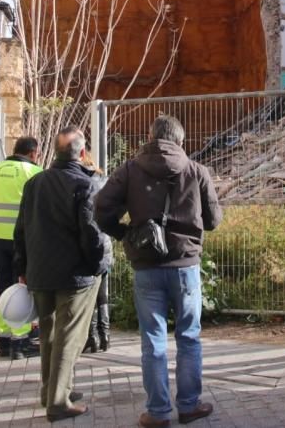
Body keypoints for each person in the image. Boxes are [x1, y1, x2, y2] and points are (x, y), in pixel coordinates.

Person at [95, 115, 223, 428]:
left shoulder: (130, 170)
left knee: (152, 340)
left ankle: (157, 412)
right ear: (180, 140)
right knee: (189, 337)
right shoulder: (196, 171)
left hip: (147, 266)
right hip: (185, 267)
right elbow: (213, 220)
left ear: (150, 137)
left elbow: (100, 209)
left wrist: (124, 233)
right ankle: (189, 406)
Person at [14, 127, 107, 423]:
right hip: (75, 275)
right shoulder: (85, 184)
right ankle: (57, 402)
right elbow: (91, 234)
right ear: (81, 153)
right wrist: (97, 265)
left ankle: (51, 389)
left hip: (40, 271)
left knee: (49, 334)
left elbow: (21, 230)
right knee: (69, 337)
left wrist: (23, 268)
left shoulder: (34, 183)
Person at [0, 136, 43, 359]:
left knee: (2, 287)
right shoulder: (33, 172)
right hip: (22, 239)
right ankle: (20, 341)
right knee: (21, 287)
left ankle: (2, 337)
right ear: (32, 153)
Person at [82, 155, 112, 354]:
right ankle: (105, 336)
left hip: (87, 244)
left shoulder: (81, 184)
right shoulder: (105, 182)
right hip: (105, 242)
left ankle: (91, 336)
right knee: (103, 294)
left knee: (89, 294)